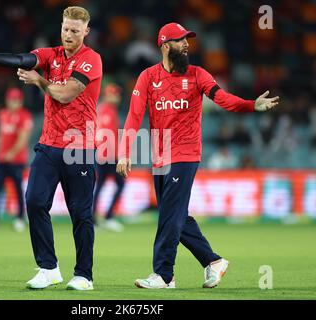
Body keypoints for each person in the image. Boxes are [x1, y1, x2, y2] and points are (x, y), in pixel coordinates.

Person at [117, 22, 279, 289]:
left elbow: (222, 98)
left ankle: (164, 275)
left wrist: (252, 105)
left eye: (188, 40)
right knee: (176, 215)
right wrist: (125, 152)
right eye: (181, 40)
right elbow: (134, 116)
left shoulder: (198, 75)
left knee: (170, 216)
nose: (187, 44)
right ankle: (212, 261)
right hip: (160, 157)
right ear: (165, 45)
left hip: (185, 154)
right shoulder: (148, 77)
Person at [0, 6, 102, 291]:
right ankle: (48, 268)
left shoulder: (92, 59)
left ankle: (84, 275)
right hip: (49, 145)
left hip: (80, 148)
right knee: (35, 201)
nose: (68, 35)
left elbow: (65, 94)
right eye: (65, 28)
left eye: (75, 30)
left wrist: (39, 80)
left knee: (81, 213)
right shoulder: (50, 54)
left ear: (86, 32)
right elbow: (25, 59)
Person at [0, 87, 33, 233]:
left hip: (17, 160)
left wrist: (12, 153)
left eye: (15, 100)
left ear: (20, 101)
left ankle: (20, 218)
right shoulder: (2, 114)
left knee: (17, 189)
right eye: (10, 100)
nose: (13, 103)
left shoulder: (25, 116)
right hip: (1, 159)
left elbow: (23, 138)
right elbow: (1, 137)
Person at [93, 83, 125, 232]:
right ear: (107, 95)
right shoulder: (106, 110)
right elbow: (106, 135)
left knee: (100, 186)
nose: (117, 97)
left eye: (117, 94)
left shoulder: (106, 109)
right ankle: (107, 217)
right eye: (114, 94)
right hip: (107, 155)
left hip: (105, 154)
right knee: (117, 184)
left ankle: (96, 219)